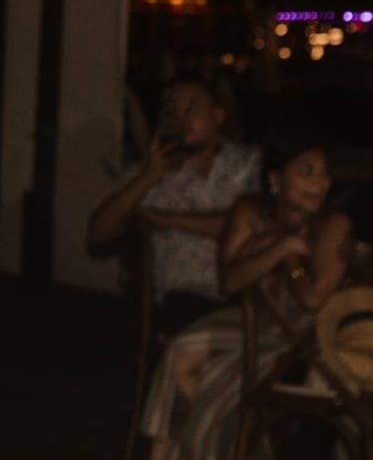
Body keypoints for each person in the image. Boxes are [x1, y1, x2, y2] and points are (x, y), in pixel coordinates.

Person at [113, 140, 353, 460]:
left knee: (210, 378)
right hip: (249, 322)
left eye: (323, 173)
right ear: (275, 180)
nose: (319, 182)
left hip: (299, 338)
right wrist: (279, 246)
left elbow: (311, 300)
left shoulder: (333, 224)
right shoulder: (251, 209)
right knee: (181, 348)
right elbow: (230, 281)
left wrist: (289, 256)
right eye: (305, 171)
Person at [88, 76, 261, 331]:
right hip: (185, 297)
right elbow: (98, 232)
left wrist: (170, 220)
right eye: (173, 110)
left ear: (217, 116)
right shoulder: (150, 174)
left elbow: (259, 223)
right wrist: (148, 177)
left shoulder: (247, 165)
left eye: (192, 107)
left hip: (247, 292)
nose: (182, 117)